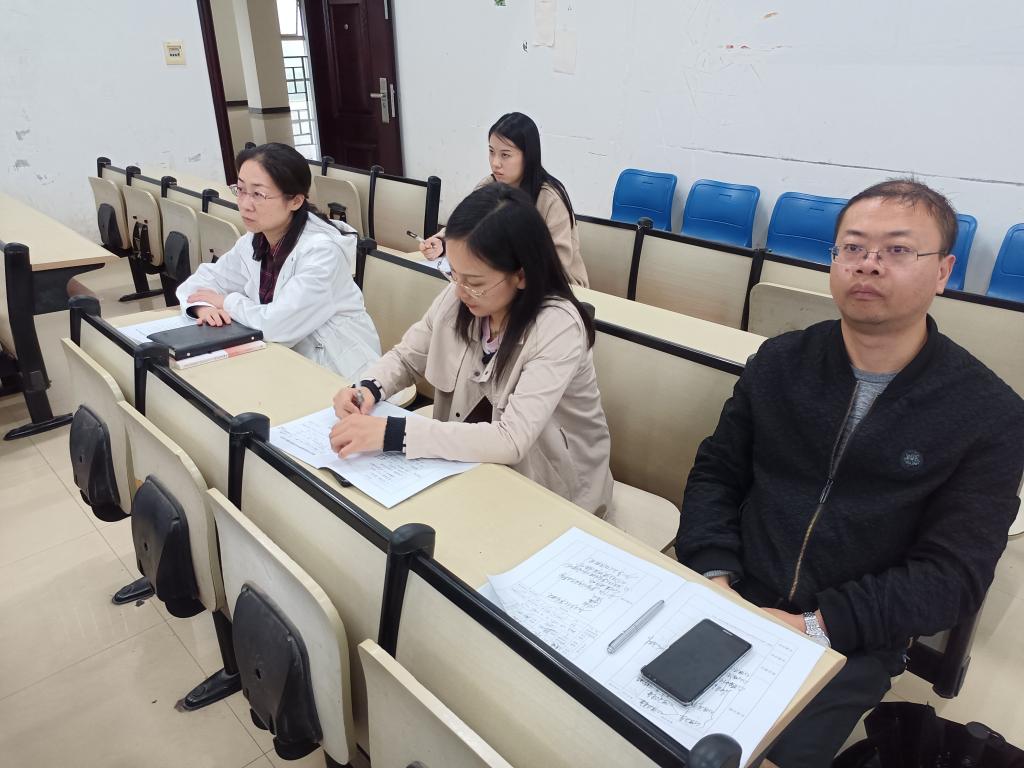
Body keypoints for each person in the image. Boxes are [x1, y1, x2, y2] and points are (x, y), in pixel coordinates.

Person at [675, 179, 1024, 765]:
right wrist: (714, 574)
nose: (869, 264)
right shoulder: (781, 361)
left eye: (897, 250)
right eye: (853, 247)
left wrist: (815, 625)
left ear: (943, 271)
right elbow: (717, 472)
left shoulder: (989, 414)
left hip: (850, 635)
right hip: (733, 590)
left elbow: (953, 576)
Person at [330, 183, 613, 515]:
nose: (460, 291)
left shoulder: (558, 326)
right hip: (469, 468)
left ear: (521, 275)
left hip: (551, 488)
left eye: (475, 282)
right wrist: (366, 389)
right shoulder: (460, 298)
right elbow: (407, 357)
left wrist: (394, 433)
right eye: (454, 274)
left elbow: (511, 440)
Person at [176, 142, 381, 380]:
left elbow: (278, 325)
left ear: (295, 201)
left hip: (340, 374)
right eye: (240, 190)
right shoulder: (255, 240)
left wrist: (226, 302)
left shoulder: (322, 253)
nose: (244, 204)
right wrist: (205, 308)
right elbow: (199, 284)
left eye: (258, 194)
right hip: (282, 362)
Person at [419, 112, 590, 287]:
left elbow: (557, 264)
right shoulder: (488, 186)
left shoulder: (550, 199)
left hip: (558, 286)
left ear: (528, 156)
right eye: (491, 152)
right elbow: (464, 226)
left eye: (505, 155)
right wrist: (442, 242)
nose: (495, 163)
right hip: (502, 281)